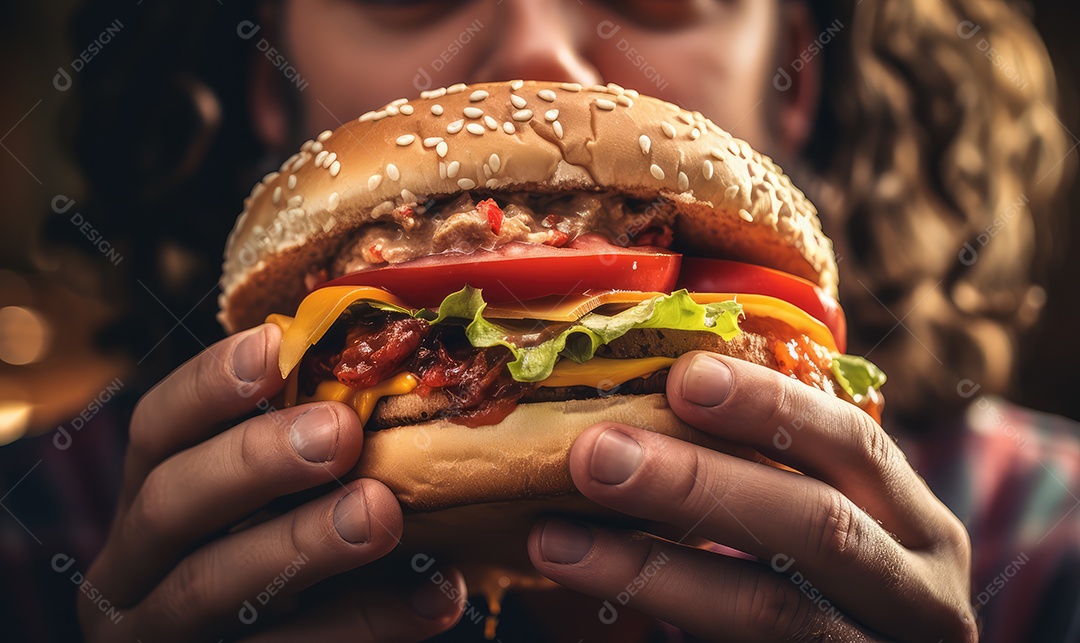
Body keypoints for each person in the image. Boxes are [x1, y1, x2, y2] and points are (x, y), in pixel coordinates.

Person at [4, 0, 1076, 641]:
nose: (538, 57)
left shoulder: (1044, 542)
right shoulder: (42, 535)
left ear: (795, 74)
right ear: (268, 83)